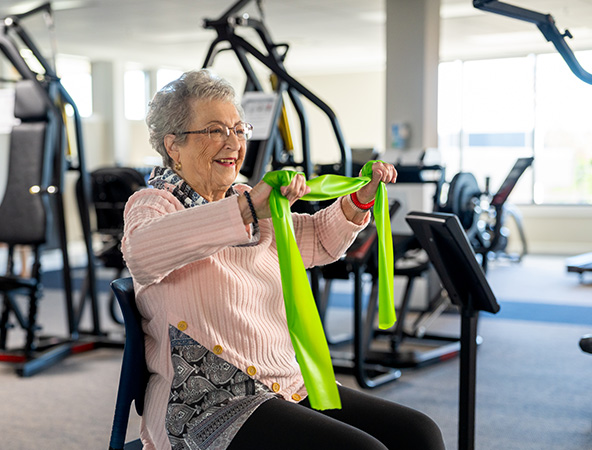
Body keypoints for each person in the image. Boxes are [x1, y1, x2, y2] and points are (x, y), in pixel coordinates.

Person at [121, 69, 445, 450]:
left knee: (419, 434)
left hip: (286, 383)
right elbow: (142, 251)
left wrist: (359, 200)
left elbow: (316, 241)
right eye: (215, 130)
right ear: (173, 145)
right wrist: (246, 209)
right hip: (208, 405)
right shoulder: (155, 203)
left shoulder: (243, 196)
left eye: (239, 130)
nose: (233, 142)